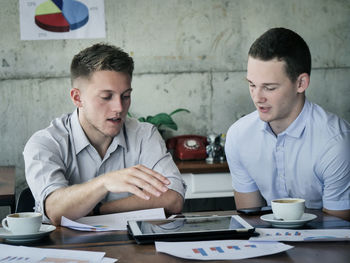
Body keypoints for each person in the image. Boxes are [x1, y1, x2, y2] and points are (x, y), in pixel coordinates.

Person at [23, 43, 186, 226]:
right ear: (77, 98)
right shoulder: (45, 143)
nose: (119, 108)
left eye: (125, 96)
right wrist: (104, 183)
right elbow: (55, 210)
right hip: (67, 252)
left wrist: (99, 210)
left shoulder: (144, 135)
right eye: (106, 97)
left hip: (133, 250)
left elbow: (173, 199)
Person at [225, 28, 350, 221]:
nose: (257, 97)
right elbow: (251, 219)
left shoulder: (336, 142)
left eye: (269, 87)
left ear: (301, 83)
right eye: (252, 85)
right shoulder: (238, 136)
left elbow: (338, 230)